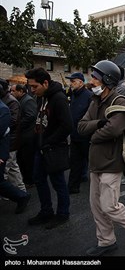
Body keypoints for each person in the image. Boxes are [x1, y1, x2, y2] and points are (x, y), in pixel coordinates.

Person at [78, 60, 125, 256]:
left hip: (112, 162)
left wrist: (93, 135)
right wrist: (98, 124)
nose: (92, 81)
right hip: (96, 161)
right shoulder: (95, 101)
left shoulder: (120, 102)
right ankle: (106, 241)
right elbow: (81, 126)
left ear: (106, 80)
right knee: (97, 206)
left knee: (108, 205)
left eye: (95, 78)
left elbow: (114, 129)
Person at [25, 67, 73, 229]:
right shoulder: (42, 96)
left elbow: (67, 126)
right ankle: (46, 212)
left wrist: (49, 142)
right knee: (38, 179)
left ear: (45, 83)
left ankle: (62, 214)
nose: (32, 90)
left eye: (34, 86)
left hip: (53, 149)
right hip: (41, 148)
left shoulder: (58, 98)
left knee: (58, 182)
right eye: (30, 86)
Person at [0, 85, 31, 214]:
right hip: (9, 144)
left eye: (15, 90)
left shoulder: (4, 108)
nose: (13, 92)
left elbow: (4, 130)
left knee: (9, 170)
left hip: (5, 147)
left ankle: (21, 195)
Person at [65, 72, 92, 194]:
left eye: (73, 81)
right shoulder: (74, 95)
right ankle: (73, 187)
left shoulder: (89, 96)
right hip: (75, 135)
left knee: (92, 162)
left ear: (81, 82)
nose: (71, 84)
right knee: (75, 162)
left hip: (86, 136)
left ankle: (100, 187)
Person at [10, 84, 37, 187]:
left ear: (21, 91)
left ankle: (29, 180)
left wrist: (17, 124)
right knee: (22, 159)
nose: (11, 93)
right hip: (23, 135)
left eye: (13, 91)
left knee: (27, 160)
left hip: (28, 136)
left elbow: (31, 116)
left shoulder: (28, 100)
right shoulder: (22, 100)